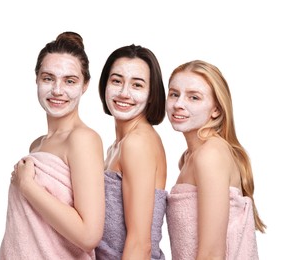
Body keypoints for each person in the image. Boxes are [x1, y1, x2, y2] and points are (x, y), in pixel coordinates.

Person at [0, 32, 105, 260]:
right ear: (36, 79)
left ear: (85, 85)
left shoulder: (82, 139)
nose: (57, 90)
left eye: (69, 81)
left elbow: (89, 235)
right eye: (48, 78)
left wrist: (27, 185)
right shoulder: (37, 144)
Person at [165, 60, 266, 260]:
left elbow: (212, 254)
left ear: (216, 110)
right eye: (174, 94)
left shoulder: (210, 155)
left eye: (194, 97)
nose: (179, 104)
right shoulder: (189, 157)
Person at [95, 44, 167, 260]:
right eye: (116, 81)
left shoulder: (137, 143)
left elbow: (140, 243)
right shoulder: (115, 147)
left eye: (137, 85)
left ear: (152, 94)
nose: (124, 93)